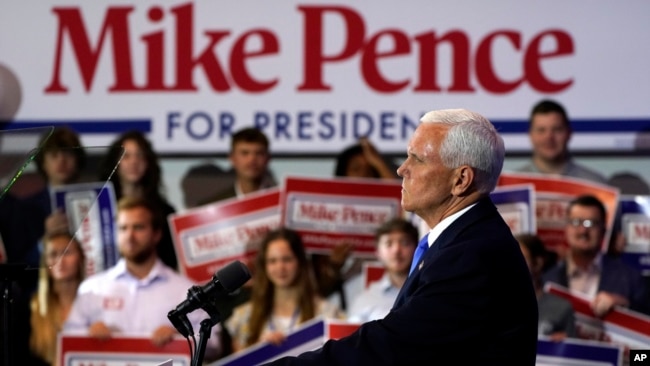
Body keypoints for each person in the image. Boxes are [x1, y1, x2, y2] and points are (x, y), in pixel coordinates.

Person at [264, 108, 539, 365]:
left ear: (461, 180)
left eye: (417, 159)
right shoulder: (463, 241)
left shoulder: (472, 255)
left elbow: (390, 347)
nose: (401, 169)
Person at [63, 197, 222, 360]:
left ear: (156, 234)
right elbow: (67, 340)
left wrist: (180, 337)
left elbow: (215, 344)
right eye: (123, 228)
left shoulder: (185, 290)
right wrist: (87, 335)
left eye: (138, 227)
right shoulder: (92, 288)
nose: (129, 236)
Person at [226, 228, 343, 353]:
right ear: (264, 265)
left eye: (287, 259)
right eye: (272, 261)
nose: (280, 267)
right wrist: (260, 351)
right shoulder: (244, 317)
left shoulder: (327, 313)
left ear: (300, 261)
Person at [542, 194, 650, 316]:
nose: (583, 231)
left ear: (604, 229)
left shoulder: (631, 278)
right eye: (576, 222)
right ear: (566, 228)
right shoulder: (546, 279)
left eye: (591, 223)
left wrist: (625, 306)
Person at [99, 130, 178, 270]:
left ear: (148, 163)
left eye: (140, 156)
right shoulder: (99, 207)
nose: (134, 162)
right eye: (126, 156)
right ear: (115, 163)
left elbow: (171, 260)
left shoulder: (165, 211)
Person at [516, 99, 607, 183]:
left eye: (557, 130)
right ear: (530, 135)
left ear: (569, 133)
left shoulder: (594, 183)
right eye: (541, 130)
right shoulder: (513, 185)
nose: (549, 137)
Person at [29, 232, 85, 365]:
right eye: (53, 254)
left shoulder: (94, 303)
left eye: (67, 253)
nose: (60, 261)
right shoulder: (31, 306)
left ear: (81, 259)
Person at [347, 218, 418, 323]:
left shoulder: (431, 289)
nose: (396, 250)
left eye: (404, 243)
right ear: (378, 252)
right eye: (389, 244)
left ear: (417, 248)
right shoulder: (365, 300)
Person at [516, 233, 576, 341]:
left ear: (538, 263)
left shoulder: (562, 308)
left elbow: (575, 353)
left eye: (519, 257)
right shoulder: (495, 306)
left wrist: (565, 345)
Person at [200, 127, 277, 205]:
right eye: (244, 153)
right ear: (232, 158)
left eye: (259, 153)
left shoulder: (281, 202)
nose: (252, 159)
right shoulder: (212, 207)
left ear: (268, 159)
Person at [334, 138, 398, 180]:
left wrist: (379, 164)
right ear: (343, 173)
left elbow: (398, 196)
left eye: (369, 171)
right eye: (356, 169)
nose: (363, 175)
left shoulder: (381, 199)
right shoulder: (331, 199)